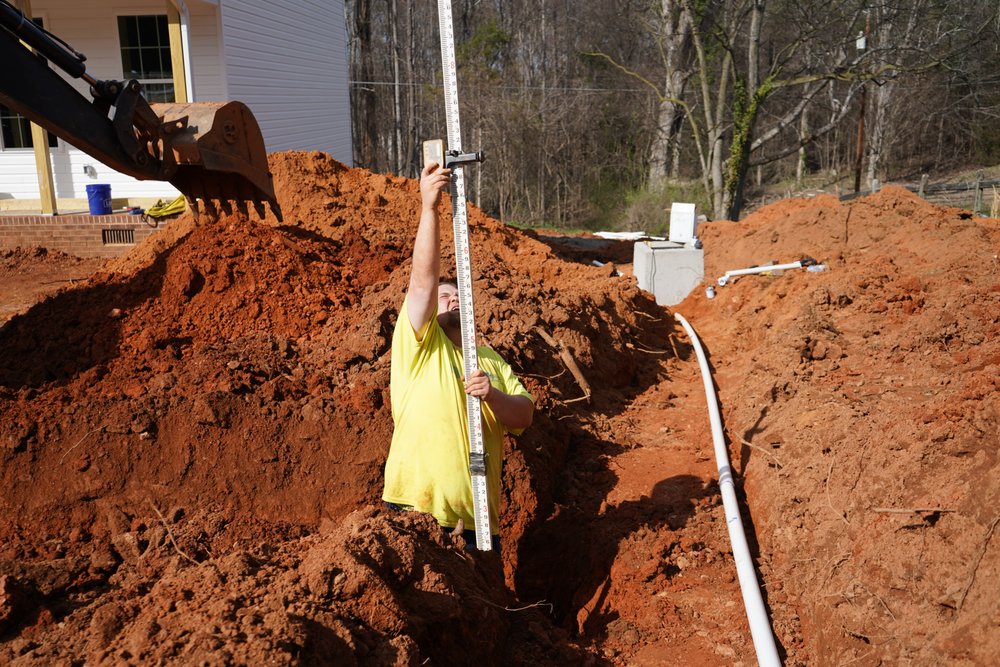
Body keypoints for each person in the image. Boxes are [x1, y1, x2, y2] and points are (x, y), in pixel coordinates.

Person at [382, 161, 534, 552]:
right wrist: (429, 209)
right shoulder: (419, 342)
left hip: (479, 528)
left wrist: (492, 395)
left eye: (458, 295)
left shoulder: (492, 360)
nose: (450, 299)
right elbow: (423, 282)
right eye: (443, 296)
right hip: (414, 512)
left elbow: (524, 416)